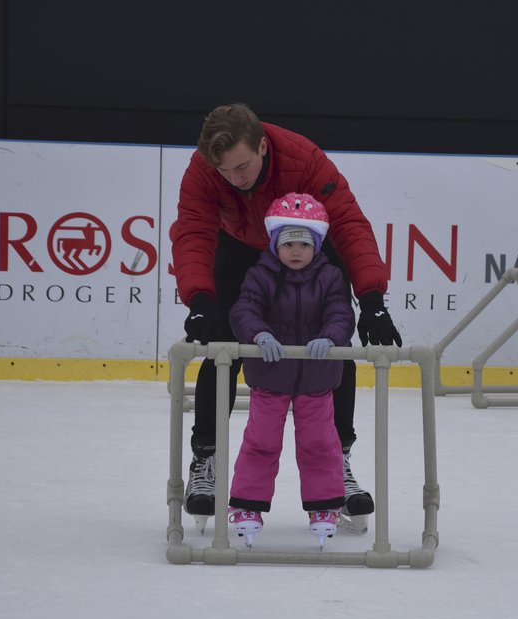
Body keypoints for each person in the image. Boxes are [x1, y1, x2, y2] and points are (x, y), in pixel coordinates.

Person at [170, 102, 402, 533]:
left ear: (262, 145)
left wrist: (371, 298)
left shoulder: (304, 159)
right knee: (222, 344)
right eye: (225, 172)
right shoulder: (204, 169)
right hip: (238, 245)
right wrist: (199, 297)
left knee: (336, 350)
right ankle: (207, 459)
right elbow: (193, 230)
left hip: (304, 240)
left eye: (241, 167)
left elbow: (350, 224)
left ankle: (340, 460)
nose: (235, 180)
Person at [227, 193, 354, 548]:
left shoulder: (329, 277)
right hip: (270, 378)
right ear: (274, 245)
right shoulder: (260, 275)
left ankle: (325, 506)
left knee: (319, 443)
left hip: (316, 380)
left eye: (302, 243)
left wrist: (330, 338)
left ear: (316, 245)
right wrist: (258, 332)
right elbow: (243, 310)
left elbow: (341, 313)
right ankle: (247, 505)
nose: (295, 251)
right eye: (287, 243)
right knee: (261, 441)